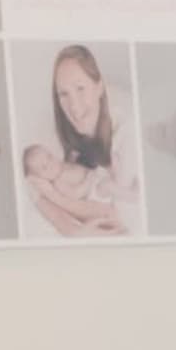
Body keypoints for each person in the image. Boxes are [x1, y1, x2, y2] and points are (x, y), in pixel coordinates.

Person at [22, 44, 132, 237]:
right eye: (63, 94)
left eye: (80, 88)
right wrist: (74, 230)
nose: (73, 105)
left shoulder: (125, 130)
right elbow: (34, 187)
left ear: (99, 88)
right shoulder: (59, 139)